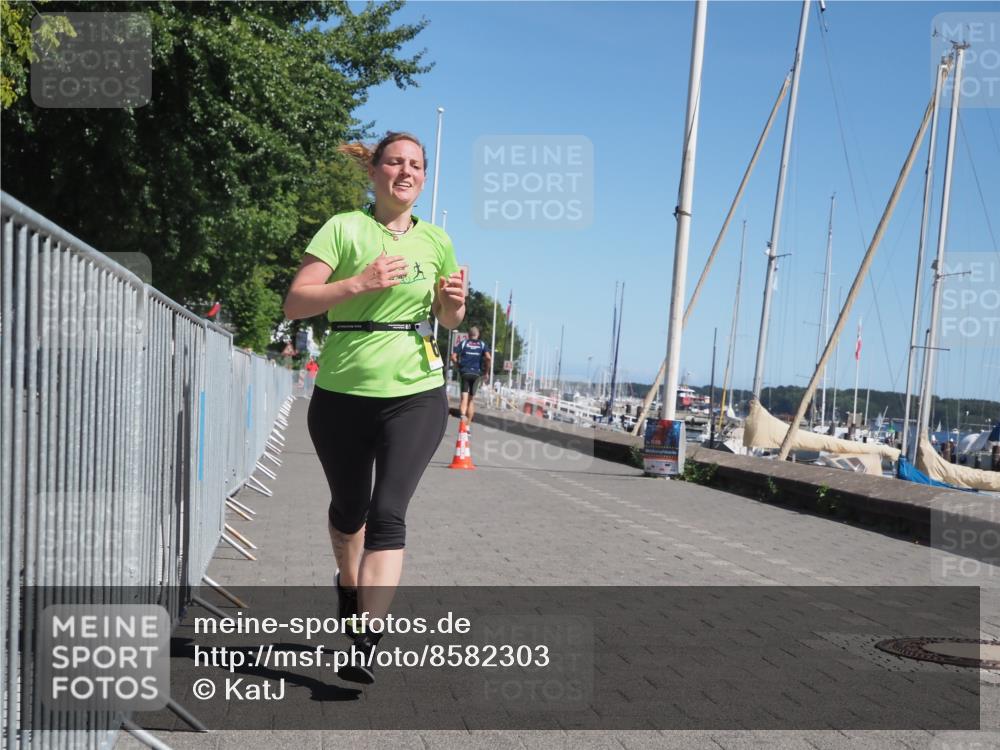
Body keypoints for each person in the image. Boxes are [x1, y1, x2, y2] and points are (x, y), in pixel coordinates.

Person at [282, 131, 465, 684]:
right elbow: (295, 302)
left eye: (416, 165)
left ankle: (365, 638)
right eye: (395, 162)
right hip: (342, 392)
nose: (406, 172)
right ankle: (348, 582)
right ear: (374, 171)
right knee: (350, 512)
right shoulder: (344, 228)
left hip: (416, 391)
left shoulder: (437, 240)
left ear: (424, 177)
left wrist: (453, 306)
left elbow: (448, 318)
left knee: (388, 513)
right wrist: (358, 283)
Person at [451, 326, 491, 428]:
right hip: (476, 374)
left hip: (465, 372)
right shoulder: (482, 344)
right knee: (471, 400)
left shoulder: (464, 343)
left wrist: (457, 366)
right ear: (478, 335)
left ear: (468, 335)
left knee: (464, 398)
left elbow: (453, 357)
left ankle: (462, 417)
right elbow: (488, 358)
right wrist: (486, 372)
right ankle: (467, 426)